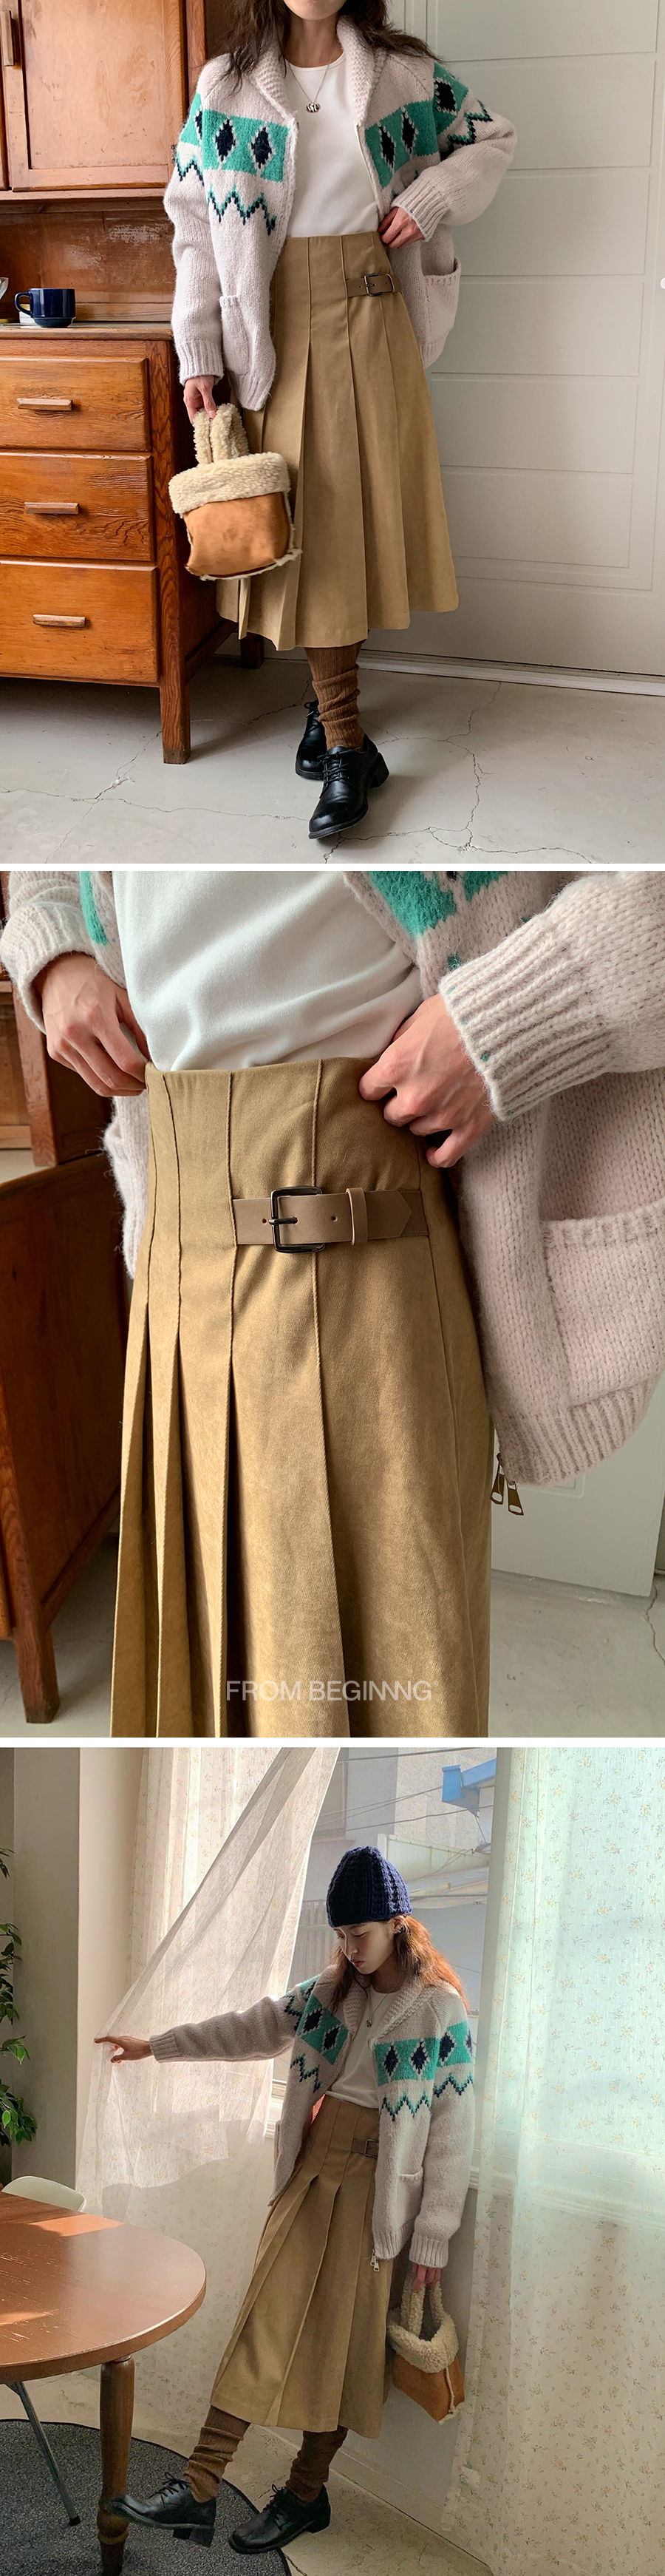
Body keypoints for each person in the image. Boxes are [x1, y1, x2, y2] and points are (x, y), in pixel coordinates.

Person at [3, 864, 665, 1741]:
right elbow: (45, 838)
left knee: (384, 1688)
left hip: (364, 1227)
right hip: (174, 1237)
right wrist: (55, 953)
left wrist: (507, 1019)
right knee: (198, 1677)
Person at [163, 0, 516, 833]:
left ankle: (339, 731)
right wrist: (199, 349)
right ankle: (344, 732)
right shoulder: (226, 87)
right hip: (272, 327)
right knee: (309, 527)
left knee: (354, 524)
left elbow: (493, 140)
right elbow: (194, 223)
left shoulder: (404, 75)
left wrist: (431, 197)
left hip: (374, 310)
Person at [95, 1846, 474, 2555]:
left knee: (342, 2348)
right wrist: (156, 2046)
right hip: (312, 2172)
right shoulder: (329, 1994)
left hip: (376, 2193)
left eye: (361, 1933)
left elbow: (453, 2132)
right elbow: (250, 2027)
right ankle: (199, 2486)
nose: (351, 1949)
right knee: (261, 2323)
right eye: (342, 1935)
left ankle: (305, 2492)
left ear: (398, 1925)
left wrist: (433, 2236)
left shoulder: (438, 2010)